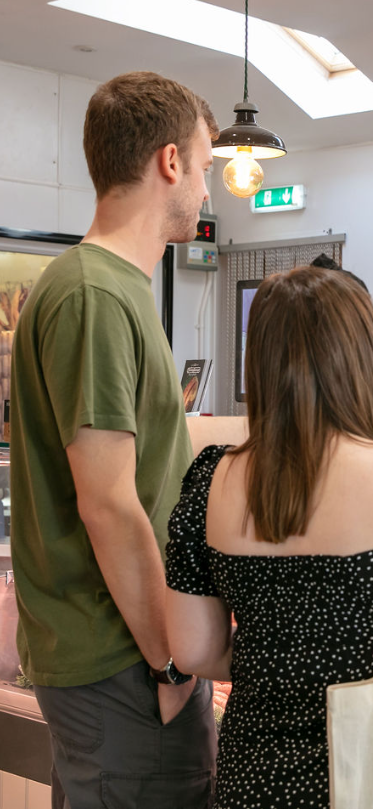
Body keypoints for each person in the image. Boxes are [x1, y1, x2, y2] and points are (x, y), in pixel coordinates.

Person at [164, 266, 373, 809]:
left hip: (253, 780)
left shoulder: (210, 478)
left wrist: (281, 656)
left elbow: (193, 650)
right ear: (362, 360)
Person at [10, 72, 219, 807]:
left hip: (118, 657)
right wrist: (169, 661)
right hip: (122, 659)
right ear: (169, 162)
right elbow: (107, 503)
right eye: (203, 165)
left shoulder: (111, 287)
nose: (205, 188)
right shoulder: (96, 293)